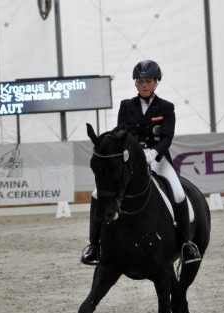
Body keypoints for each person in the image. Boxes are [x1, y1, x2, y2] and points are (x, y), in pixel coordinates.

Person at [81, 60, 201, 265]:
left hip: (158, 159)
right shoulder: (126, 106)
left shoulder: (166, 107)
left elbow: (167, 138)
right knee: (96, 194)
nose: (144, 85)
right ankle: (94, 246)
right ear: (135, 84)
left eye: (148, 81)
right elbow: (121, 133)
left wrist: (153, 153)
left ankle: (186, 244)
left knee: (179, 193)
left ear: (156, 82)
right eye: (140, 81)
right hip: (133, 160)